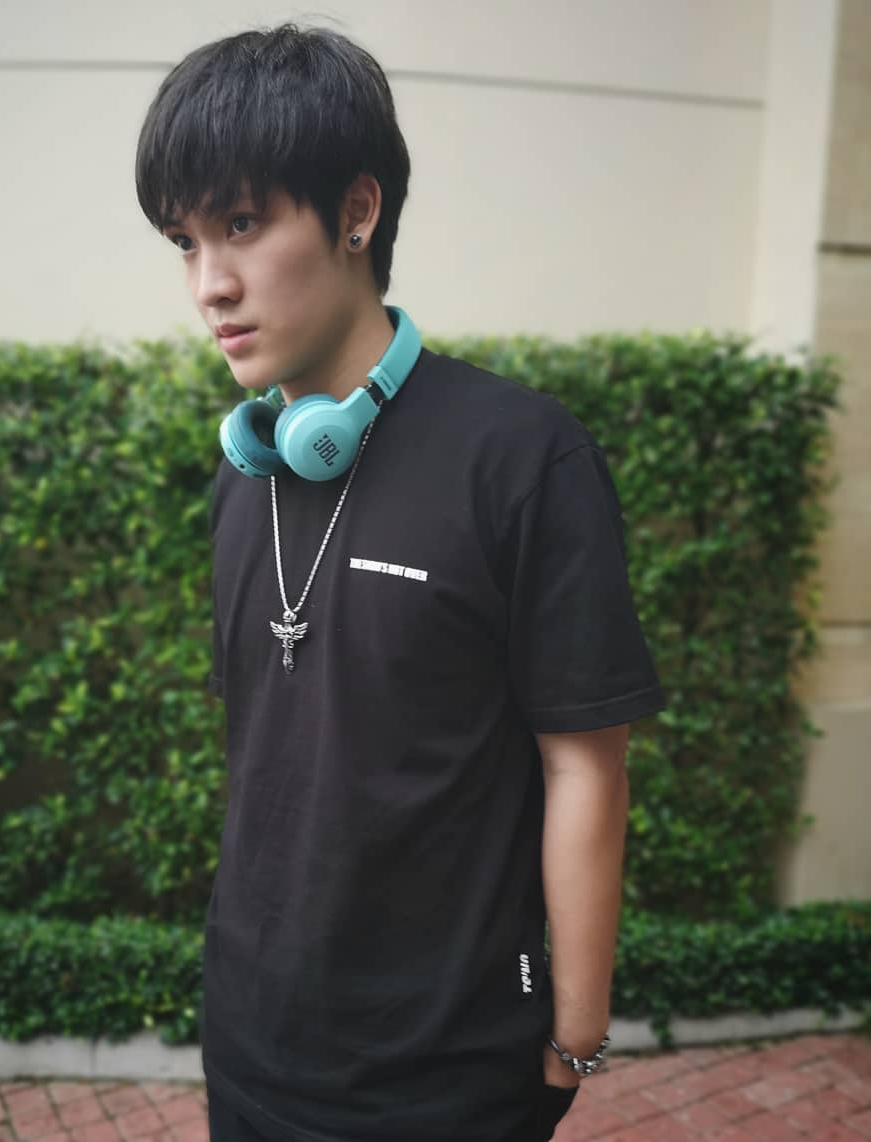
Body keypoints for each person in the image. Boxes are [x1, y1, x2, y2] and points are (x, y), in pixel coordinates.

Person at [135, 24, 664, 1142]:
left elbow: (585, 762)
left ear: (357, 211)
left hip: (447, 1075)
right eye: (184, 241)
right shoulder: (244, 475)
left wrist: (575, 1033)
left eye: (241, 223)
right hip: (250, 1047)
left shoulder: (522, 456)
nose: (209, 284)